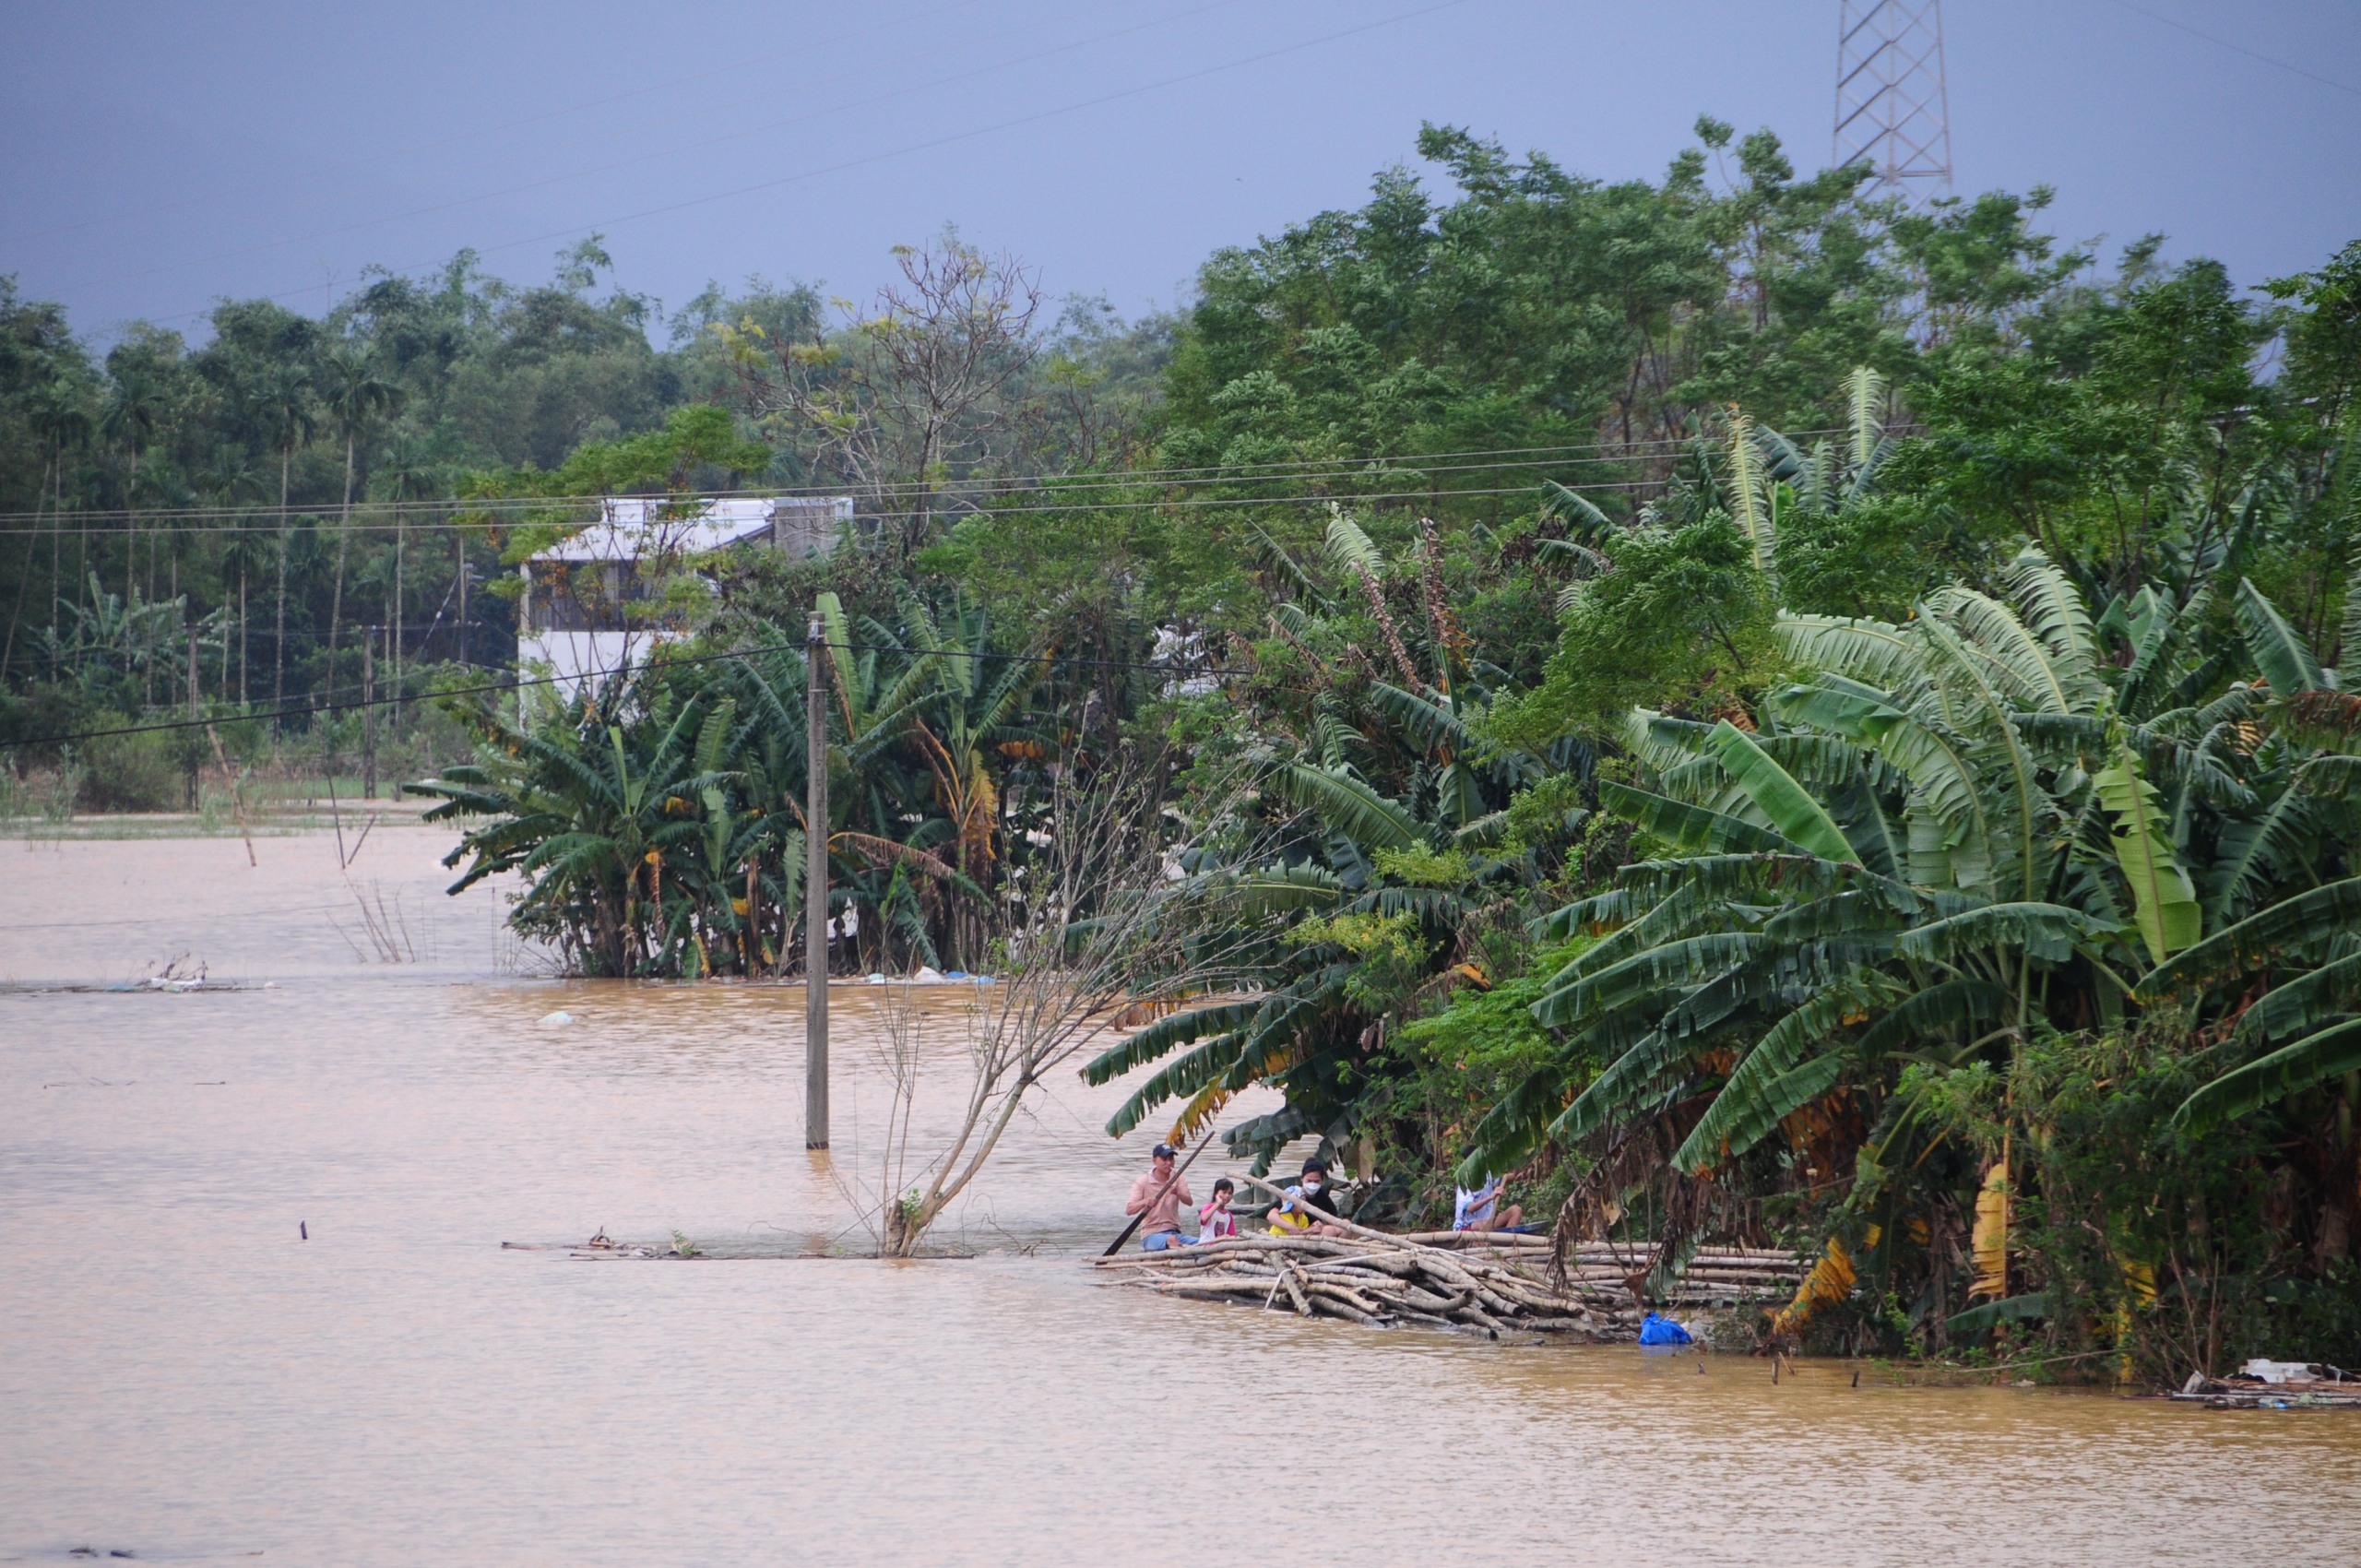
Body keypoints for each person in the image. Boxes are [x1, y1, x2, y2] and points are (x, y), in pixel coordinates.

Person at [1126, 1143, 1194, 1251]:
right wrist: (1145, 1202)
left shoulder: (1178, 1177)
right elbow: (1129, 1210)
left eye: (1171, 1159)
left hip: (1175, 1232)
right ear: (1154, 1161)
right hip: (1151, 1235)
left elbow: (1189, 1202)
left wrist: (1178, 1193)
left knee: (1204, 1243)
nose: (1169, 1163)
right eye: (1164, 1159)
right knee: (1172, 1240)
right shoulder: (1143, 1181)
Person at [1267, 1157, 1349, 1237]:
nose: (1312, 1184)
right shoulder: (1293, 1194)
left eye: (1316, 1181)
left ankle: (1341, 1246)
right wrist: (1290, 1227)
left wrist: (1317, 1226)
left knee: (1346, 1224)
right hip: (1299, 1235)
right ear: (1302, 1179)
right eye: (1309, 1181)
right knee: (1329, 1230)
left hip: (1308, 1232)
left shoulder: (1322, 1197)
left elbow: (1333, 1219)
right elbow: (1271, 1215)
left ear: (1322, 1180)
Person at [1453, 1173, 1524, 1233]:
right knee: (1484, 1224)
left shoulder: (1487, 1175)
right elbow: (1470, 1208)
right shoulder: (1465, 1184)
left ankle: (1506, 1241)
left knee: (1515, 1210)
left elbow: (1509, 1177)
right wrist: (1490, 1197)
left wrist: (1516, 1170)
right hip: (1467, 1225)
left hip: (1489, 1221)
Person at [1198, 1178, 1238, 1242]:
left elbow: (1232, 1235)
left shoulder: (1229, 1215)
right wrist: (1218, 1204)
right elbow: (1204, 1219)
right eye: (1224, 1192)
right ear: (1216, 1193)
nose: (1227, 1195)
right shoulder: (1208, 1207)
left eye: (1230, 1193)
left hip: (1220, 1246)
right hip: (1206, 1245)